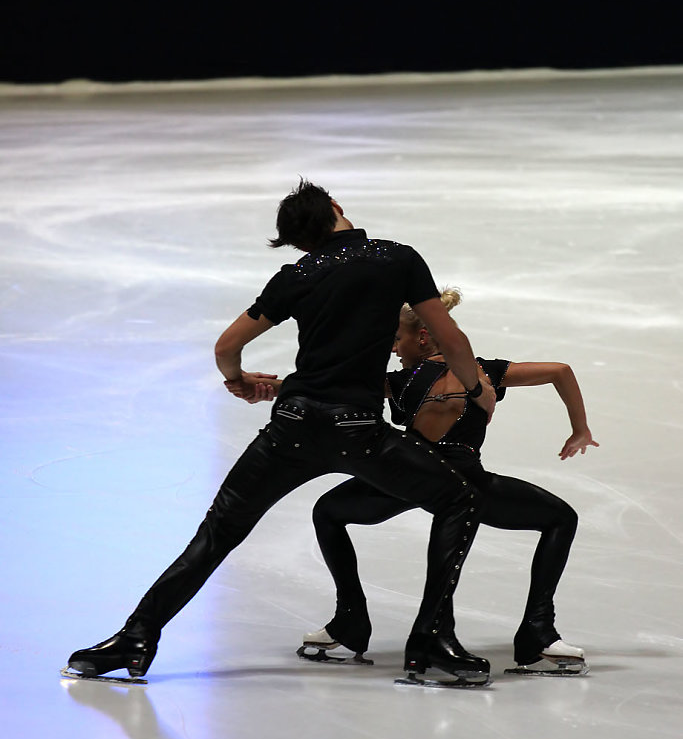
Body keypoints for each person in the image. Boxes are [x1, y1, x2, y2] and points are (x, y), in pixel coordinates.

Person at [66, 181, 497, 687]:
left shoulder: (297, 275)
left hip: (291, 428)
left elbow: (226, 346)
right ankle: (429, 642)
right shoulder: (397, 259)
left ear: (300, 241)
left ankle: (135, 638)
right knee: (459, 499)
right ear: (336, 208)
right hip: (358, 432)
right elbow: (450, 337)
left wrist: (239, 380)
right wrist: (474, 390)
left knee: (218, 533)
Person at [289, 289, 598, 672]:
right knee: (559, 518)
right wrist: (579, 430)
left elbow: (330, 386)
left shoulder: (399, 383)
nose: (394, 349)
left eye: (397, 340)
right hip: (465, 480)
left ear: (422, 337)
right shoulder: (484, 371)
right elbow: (560, 371)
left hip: (408, 477)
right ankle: (536, 630)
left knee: (329, 512)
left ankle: (351, 619)